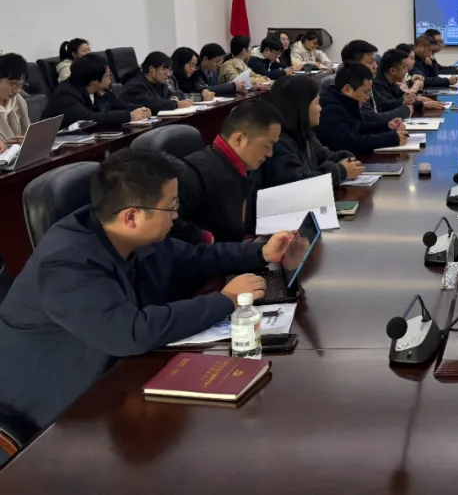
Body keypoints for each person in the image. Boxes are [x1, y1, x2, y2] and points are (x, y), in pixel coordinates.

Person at [0, 150, 298, 433]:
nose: (176, 216)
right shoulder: (65, 263)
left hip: (114, 371)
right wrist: (226, 300)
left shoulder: (125, 232)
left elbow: (192, 256)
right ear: (132, 217)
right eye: (171, 207)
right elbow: (130, 333)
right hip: (57, 408)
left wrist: (260, 253)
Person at [177, 100, 283, 244]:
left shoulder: (243, 169)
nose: (270, 153)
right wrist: (203, 237)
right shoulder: (195, 173)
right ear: (239, 139)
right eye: (267, 145)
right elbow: (167, 222)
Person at [260, 76, 364, 190]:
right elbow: (298, 184)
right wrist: (340, 171)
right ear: (302, 107)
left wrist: (346, 160)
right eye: (317, 103)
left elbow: (326, 156)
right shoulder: (279, 143)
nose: (320, 109)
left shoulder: (304, 134)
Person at [317, 63, 408, 155]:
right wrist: (391, 139)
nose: (368, 97)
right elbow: (346, 143)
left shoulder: (345, 101)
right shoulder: (330, 108)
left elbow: (359, 128)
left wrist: (387, 126)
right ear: (347, 89)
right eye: (365, 92)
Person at [43, 55, 151, 127]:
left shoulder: (97, 89)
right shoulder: (65, 95)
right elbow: (88, 119)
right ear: (95, 80)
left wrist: (142, 110)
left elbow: (120, 105)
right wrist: (129, 116)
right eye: (107, 75)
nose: (110, 79)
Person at [374, 49, 444, 117]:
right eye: (404, 67)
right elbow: (391, 104)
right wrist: (423, 105)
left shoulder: (391, 81)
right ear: (392, 71)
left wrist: (415, 98)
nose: (407, 71)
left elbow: (401, 95)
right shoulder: (377, 85)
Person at [117, 52, 193, 114]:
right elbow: (151, 103)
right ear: (151, 69)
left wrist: (173, 97)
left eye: (169, 70)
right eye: (164, 69)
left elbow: (178, 94)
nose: (168, 74)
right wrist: (176, 104)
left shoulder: (160, 83)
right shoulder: (135, 85)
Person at [169, 47, 238, 100]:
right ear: (180, 63)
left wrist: (204, 90)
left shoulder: (194, 74)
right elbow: (176, 96)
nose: (193, 69)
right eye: (191, 64)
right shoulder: (169, 77)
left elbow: (199, 83)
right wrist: (201, 97)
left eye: (195, 66)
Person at [0, 53, 31, 147]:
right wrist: (4, 146)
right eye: (12, 84)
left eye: (21, 85)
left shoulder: (18, 100)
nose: (17, 90)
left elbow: (27, 132)